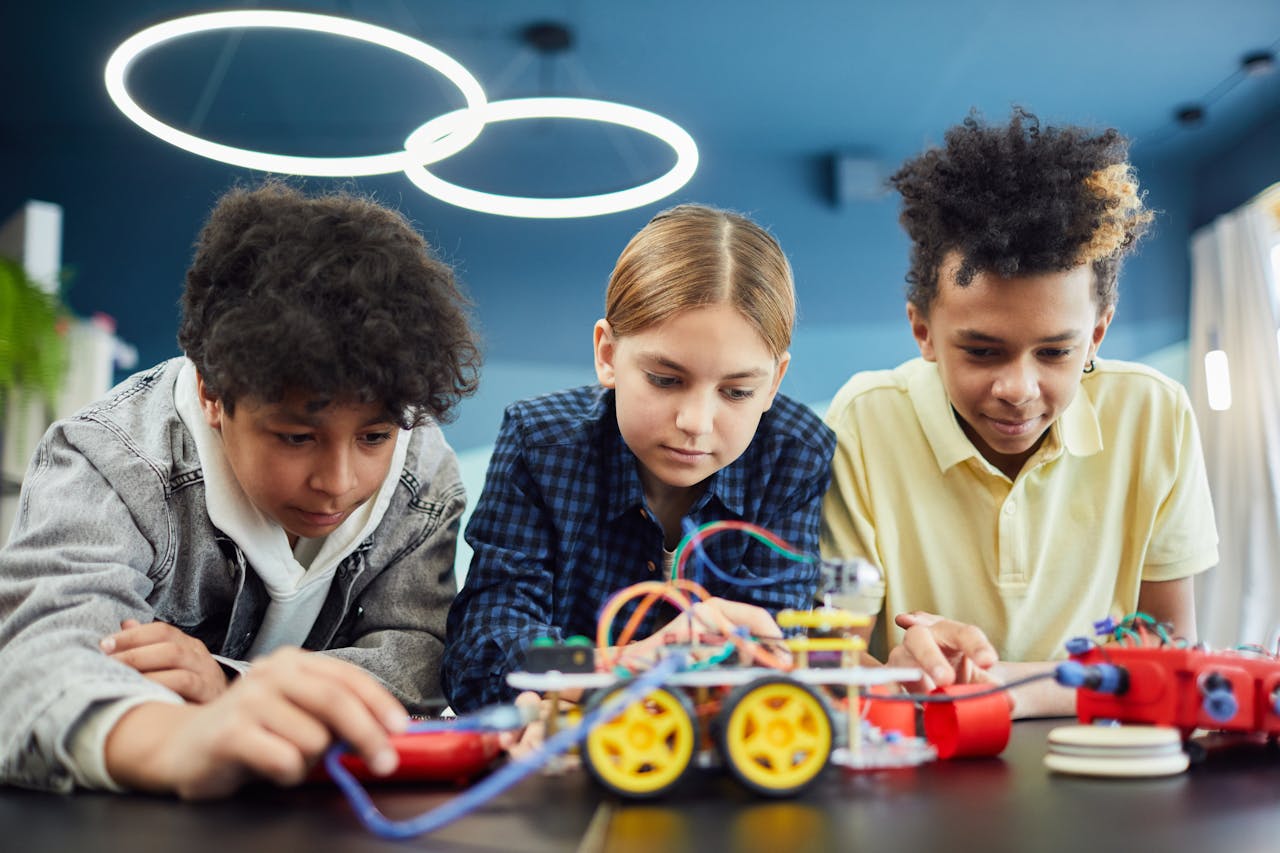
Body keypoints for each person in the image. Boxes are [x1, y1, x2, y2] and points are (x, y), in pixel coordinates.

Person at [0, 181, 481, 798]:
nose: (338, 484)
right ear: (210, 393)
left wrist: (230, 683)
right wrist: (177, 739)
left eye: (373, 437)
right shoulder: (110, 458)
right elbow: (36, 659)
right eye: (295, 437)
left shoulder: (424, 471)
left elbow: (415, 658)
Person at [820, 109, 1219, 717]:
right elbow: (834, 661)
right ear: (923, 331)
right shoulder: (863, 420)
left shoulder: (1154, 413)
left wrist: (1003, 685)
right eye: (982, 351)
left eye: (1056, 352)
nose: (1018, 389)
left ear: (1097, 336)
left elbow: (1170, 649)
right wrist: (894, 674)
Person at [443, 204, 835, 715]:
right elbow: (482, 653)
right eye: (666, 380)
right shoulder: (540, 444)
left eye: (737, 391)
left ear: (774, 383)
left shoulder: (794, 454)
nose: (696, 421)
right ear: (607, 354)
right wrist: (636, 660)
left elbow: (776, 660)